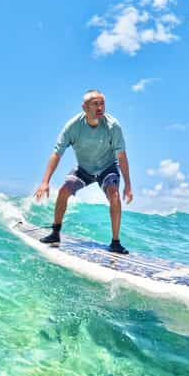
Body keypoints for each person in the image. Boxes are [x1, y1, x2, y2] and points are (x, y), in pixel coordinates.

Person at [33, 89, 133, 254]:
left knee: (114, 193)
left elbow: (121, 156)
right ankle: (55, 233)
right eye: (95, 104)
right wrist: (45, 181)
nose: (100, 108)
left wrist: (128, 185)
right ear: (84, 107)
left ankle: (115, 242)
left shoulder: (112, 126)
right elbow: (57, 153)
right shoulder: (73, 127)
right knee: (64, 190)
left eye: (102, 104)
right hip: (83, 169)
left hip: (107, 167)